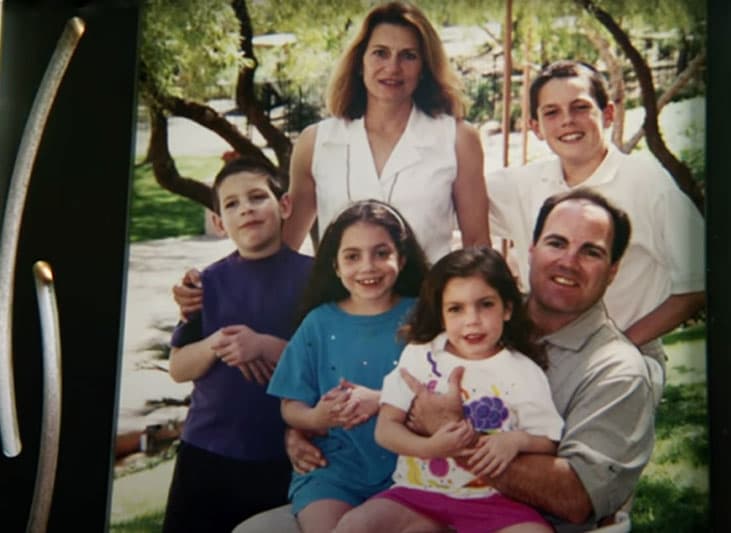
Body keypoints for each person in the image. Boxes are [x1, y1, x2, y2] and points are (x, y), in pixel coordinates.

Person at [237, 189, 655, 533]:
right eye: (557, 243)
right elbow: (385, 399)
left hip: (512, 518)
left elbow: (577, 498)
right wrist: (308, 427)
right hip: (415, 496)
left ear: (613, 269)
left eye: (591, 252)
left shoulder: (617, 370)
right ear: (532, 249)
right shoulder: (474, 316)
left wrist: (449, 434)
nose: (568, 261)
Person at [487, 59, 705, 381]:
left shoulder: (646, 182)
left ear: (608, 114)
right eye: (551, 112)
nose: (567, 121)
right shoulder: (522, 185)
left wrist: (617, 348)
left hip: (624, 359)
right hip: (540, 358)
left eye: (580, 107)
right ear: (535, 127)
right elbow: (447, 198)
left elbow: (698, 283)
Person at [335, 247, 563, 533]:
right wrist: (430, 447)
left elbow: (548, 439)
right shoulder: (420, 356)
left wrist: (515, 441)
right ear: (440, 315)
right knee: (354, 526)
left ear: (507, 308)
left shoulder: (523, 371)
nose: (472, 320)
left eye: (485, 304)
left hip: (493, 500)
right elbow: (386, 428)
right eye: (456, 309)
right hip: (417, 495)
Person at [162, 156, 313, 533]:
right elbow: (178, 368)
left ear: (285, 205)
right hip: (207, 451)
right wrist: (215, 343)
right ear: (217, 222)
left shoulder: (314, 280)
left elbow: (326, 365)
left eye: (257, 197)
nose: (245, 209)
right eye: (231, 204)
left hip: (282, 455)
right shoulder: (205, 285)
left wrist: (263, 345)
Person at [266, 199, 429, 533]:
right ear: (336, 266)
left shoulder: (426, 318)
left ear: (403, 257)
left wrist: (382, 400)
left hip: (413, 468)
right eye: (352, 256)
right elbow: (290, 404)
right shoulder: (318, 323)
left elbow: (443, 392)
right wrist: (315, 418)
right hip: (334, 470)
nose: (367, 267)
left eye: (381, 253)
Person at [283, 0, 490, 262]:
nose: (393, 67)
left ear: (424, 68)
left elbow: (477, 246)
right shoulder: (315, 143)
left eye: (408, 56)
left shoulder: (458, 140)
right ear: (360, 63)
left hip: (426, 299)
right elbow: (285, 250)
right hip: (339, 301)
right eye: (380, 53)